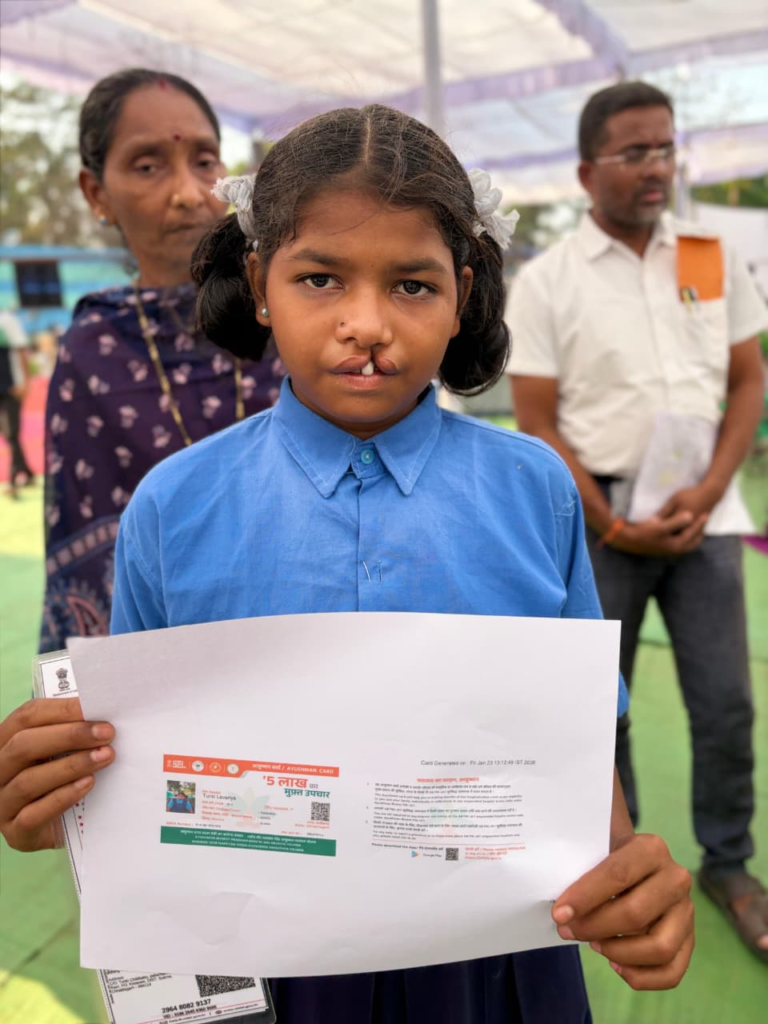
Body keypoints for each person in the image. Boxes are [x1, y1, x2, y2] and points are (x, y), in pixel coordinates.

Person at [0, 104, 694, 1024]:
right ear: (260, 283)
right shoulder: (173, 504)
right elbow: (132, 760)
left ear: (462, 292)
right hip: (261, 962)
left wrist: (627, 879)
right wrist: (59, 799)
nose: (366, 324)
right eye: (320, 277)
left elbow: (572, 735)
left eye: (412, 284)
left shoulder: (537, 489)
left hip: (493, 962)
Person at [507, 81, 768, 962]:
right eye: (635, 152)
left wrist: (713, 487)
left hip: (705, 515)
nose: (657, 166)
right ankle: (620, 867)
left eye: (665, 148)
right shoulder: (548, 281)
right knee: (598, 713)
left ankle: (730, 864)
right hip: (601, 524)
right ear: (587, 172)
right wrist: (614, 528)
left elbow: (748, 380)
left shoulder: (706, 254)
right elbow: (536, 423)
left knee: (726, 704)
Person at [40, 68, 285, 652]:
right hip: (163, 657)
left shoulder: (289, 315)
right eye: (148, 166)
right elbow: (84, 557)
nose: (189, 193)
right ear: (96, 193)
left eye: (204, 161)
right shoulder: (92, 352)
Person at [0, 308, 35, 498]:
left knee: (12, 432)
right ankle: (27, 472)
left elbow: (21, 351)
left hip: (11, 387)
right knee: (7, 434)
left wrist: (26, 381)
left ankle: (13, 481)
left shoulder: (6, 320)